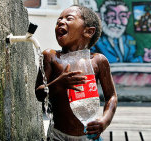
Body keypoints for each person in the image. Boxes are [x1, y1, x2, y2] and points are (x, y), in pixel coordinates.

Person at [35, 5, 118, 141]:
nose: (61, 22)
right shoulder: (51, 57)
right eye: (58, 20)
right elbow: (39, 93)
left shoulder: (98, 61)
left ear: (88, 32)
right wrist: (58, 84)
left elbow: (111, 96)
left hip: (89, 136)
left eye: (69, 18)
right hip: (57, 135)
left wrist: (104, 121)